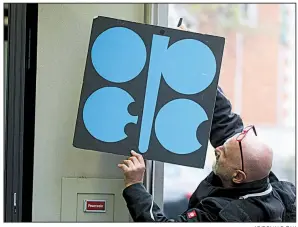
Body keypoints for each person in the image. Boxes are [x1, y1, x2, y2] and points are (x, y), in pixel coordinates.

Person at [118, 125, 296, 222]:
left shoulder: (222, 214)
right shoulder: (278, 190)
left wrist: (134, 185)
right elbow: (227, 127)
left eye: (224, 153)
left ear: (238, 176)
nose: (217, 149)